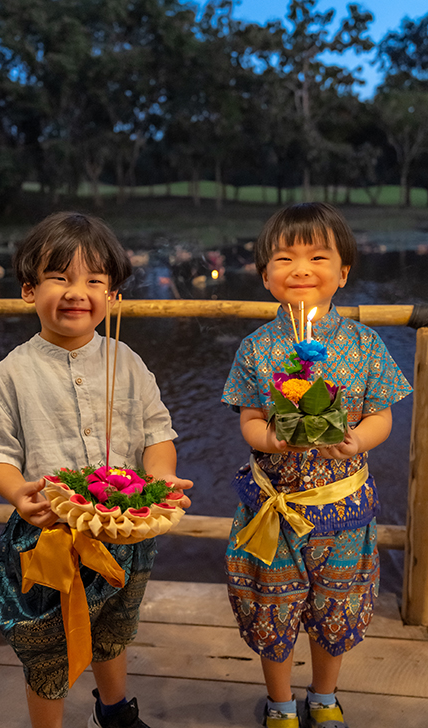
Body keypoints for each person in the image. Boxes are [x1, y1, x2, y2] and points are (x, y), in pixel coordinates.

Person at [0, 211, 193, 728]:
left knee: (114, 628)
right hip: (49, 535)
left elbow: (156, 434)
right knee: (45, 646)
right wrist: (20, 492)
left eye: (93, 280)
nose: (75, 291)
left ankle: (113, 712)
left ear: (113, 297)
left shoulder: (127, 360)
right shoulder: (13, 371)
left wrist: (162, 478)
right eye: (58, 278)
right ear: (28, 290)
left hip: (123, 533)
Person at [222, 202, 412, 728]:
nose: (300, 269)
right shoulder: (256, 348)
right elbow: (250, 421)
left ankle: (324, 696)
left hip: (344, 507)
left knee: (338, 605)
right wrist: (273, 441)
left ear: (343, 273)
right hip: (273, 508)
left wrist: (356, 442)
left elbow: (382, 418)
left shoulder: (364, 344)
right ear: (265, 276)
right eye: (284, 258)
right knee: (271, 603)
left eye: (317, 257)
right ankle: (280, 702)